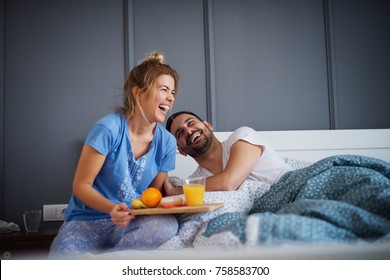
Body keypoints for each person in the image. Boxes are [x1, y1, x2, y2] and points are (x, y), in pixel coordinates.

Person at [49, 52, 180, 257]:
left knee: (166, 226)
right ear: (138, 92)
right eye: (164, 90)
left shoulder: (168, 142)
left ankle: (106, 265)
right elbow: (81, 185)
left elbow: (151, 196)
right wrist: (111, 209)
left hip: (130, 222)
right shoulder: (108, 128)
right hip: (86, 222)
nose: (171, 98)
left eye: (173, 92)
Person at [164, 111, 292, 193]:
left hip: (294, 188)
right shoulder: (195, 181)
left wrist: (177, 190)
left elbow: (229, 182)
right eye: (180, 133)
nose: (188, 131)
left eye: (191, 123)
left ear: (208, 125)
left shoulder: (241, 136)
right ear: (181, 151)